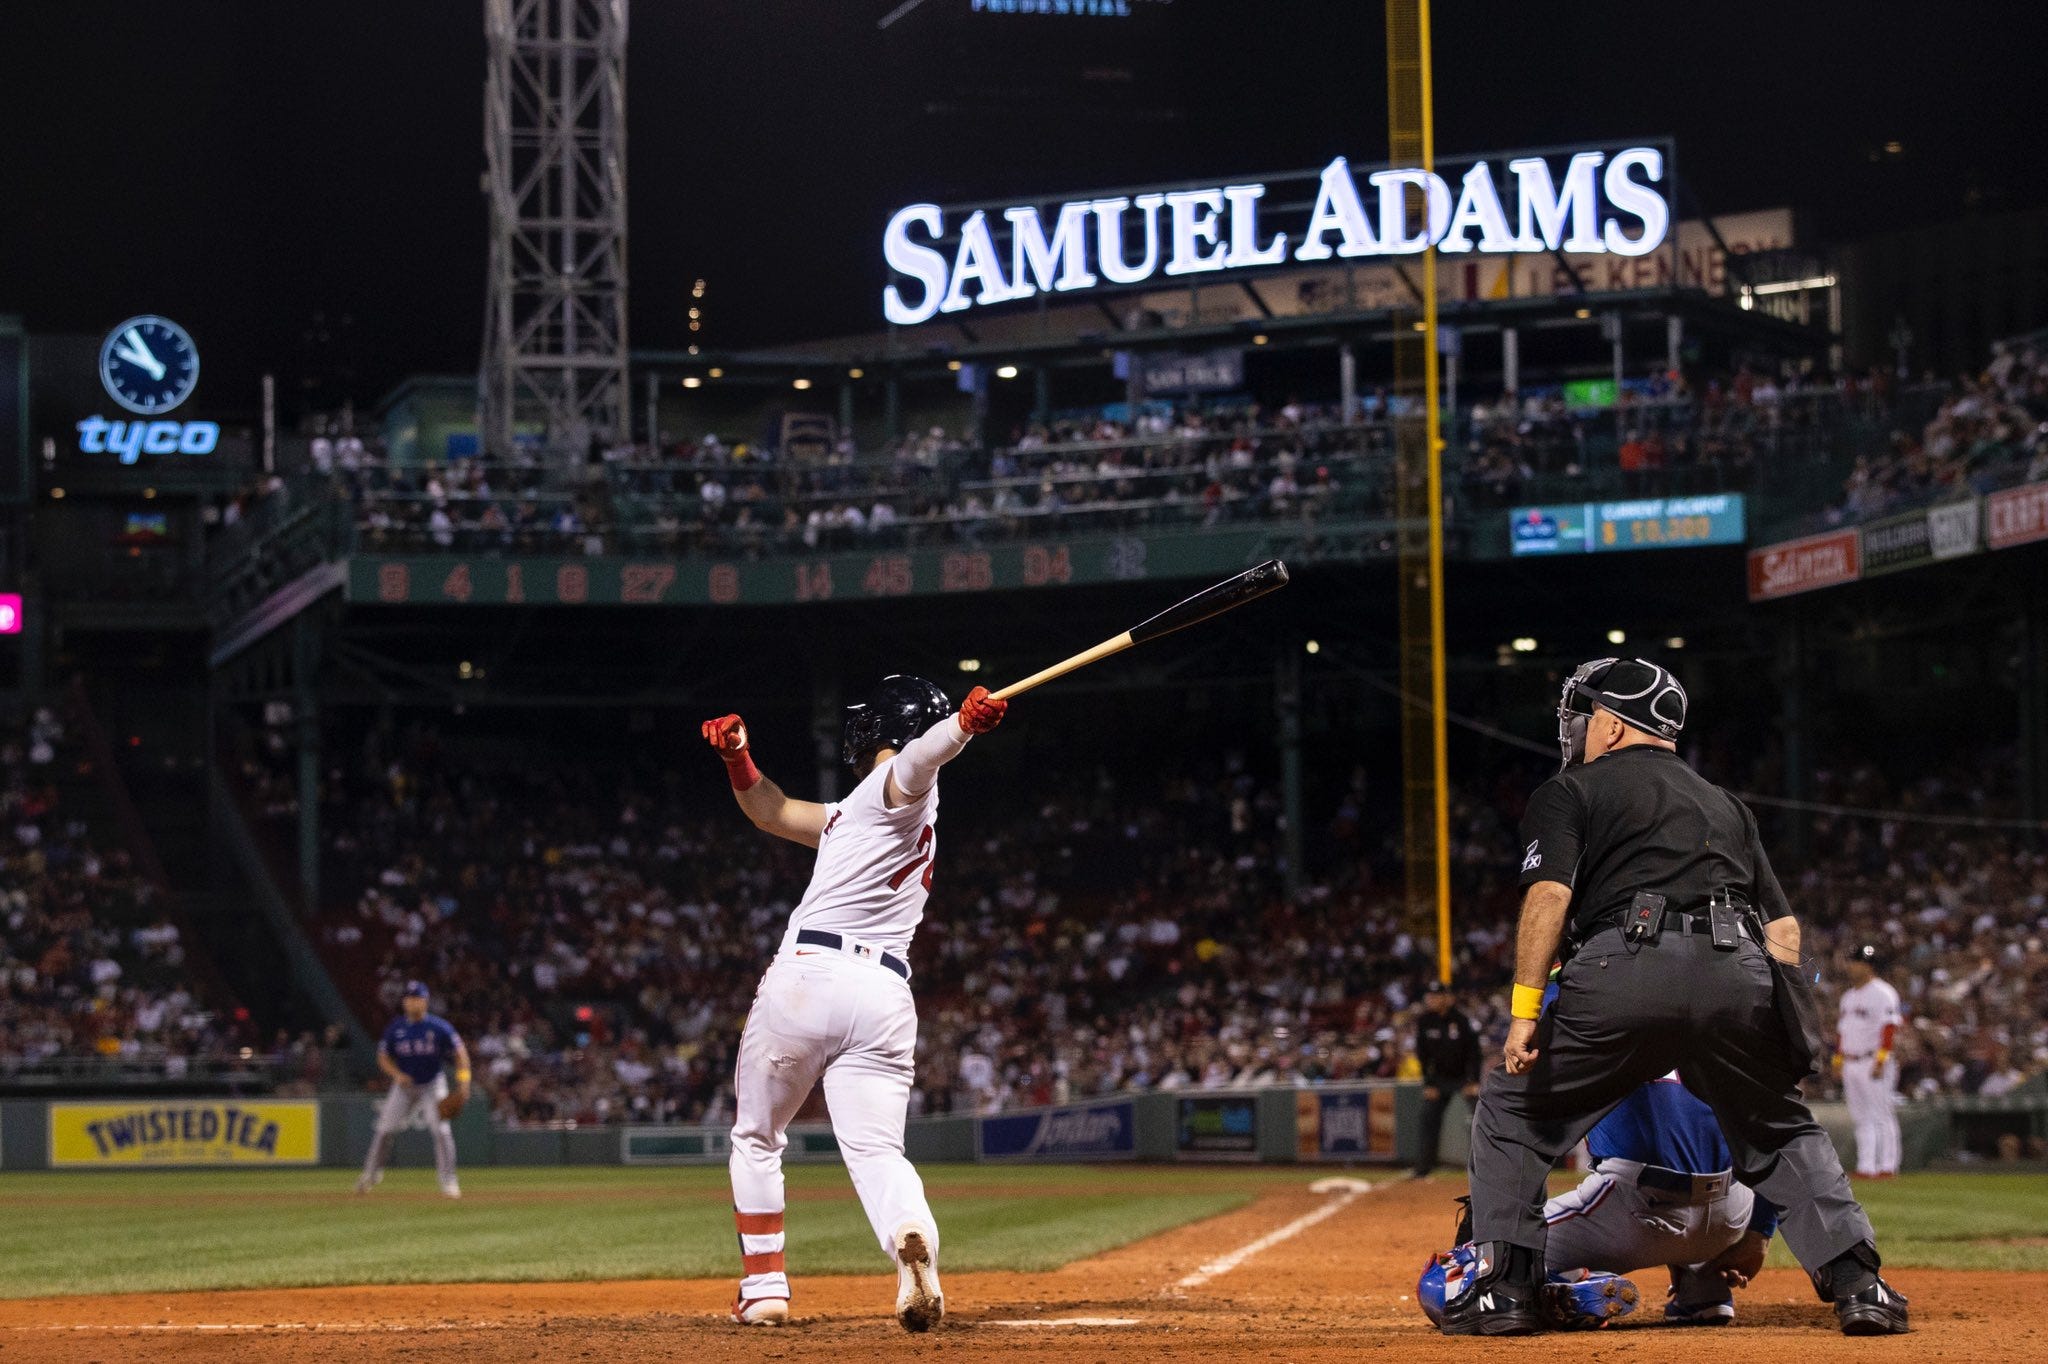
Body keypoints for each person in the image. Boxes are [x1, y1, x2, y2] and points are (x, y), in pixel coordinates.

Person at [1440, 657, 1907, 1337]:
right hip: (1736, 971)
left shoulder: (1568, 790)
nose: (1575, 729)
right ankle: (1864, 1287)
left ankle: (1503, 1294)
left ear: (1610, 723)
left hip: (1625, 962)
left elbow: (1549, 895)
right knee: (1777, 1128)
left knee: (1514, 1111)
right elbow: (1783, 929)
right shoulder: (1726, 803)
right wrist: (1782, 1028)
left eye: (1582, 715)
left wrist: (1522, 1013)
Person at [704, 675, 1008, 1332]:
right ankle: (907, 1239)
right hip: (885, 996)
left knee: (757, 1135)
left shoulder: (898, 781)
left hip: (812, 977)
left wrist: (959, 727)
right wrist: (739, 758)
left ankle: (763, 1290)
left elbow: (916, 761)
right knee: (876, 1151)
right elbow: (773, 811)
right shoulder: (862, 810)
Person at [355, 980, 470, 1199]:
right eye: (409, 998)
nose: (413, 1002)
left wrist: (463, 1083)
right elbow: (382, 1057)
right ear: (404, 1002)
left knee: (441, 1131)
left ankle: (449, 1181)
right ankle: (370, 1175)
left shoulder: (439, 1027)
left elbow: (461, 1055)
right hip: (404, 1087)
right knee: (384, 1130)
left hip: (432, 1084)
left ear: (425, 1001)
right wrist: (396, 1074)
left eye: (417, 998)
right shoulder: (395, 1028)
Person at [1836, 944, 1904, 1179]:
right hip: (1852, 1061)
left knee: (1881, 1113)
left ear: (1868, 967)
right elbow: (1842, 1031)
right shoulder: (1849, 996)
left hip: (1873, 1059)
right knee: (1861, 1117)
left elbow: (1889, 1029)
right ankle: (1867, 1166)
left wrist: (1881, 1060)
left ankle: (1888, 1166)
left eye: (1857, 962)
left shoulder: (1883, 992)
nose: (1852, 966)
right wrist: (1838, 1060)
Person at [1410, 981, 1480, 1179]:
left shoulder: (1462, 1020)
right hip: (1438, 1079)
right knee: (1428, 1117)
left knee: (1479, 1117)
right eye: (1429, 996)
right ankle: (1423, 1169)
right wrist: (1429, 1083)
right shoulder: (1425, 1022)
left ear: (1446, 998)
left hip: (1462, 1078)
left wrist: (1473, 1080)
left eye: (1436, 996)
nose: (1431, 1000)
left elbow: (1474, 1053)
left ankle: (1482, 1168)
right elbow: (1423, 1056)